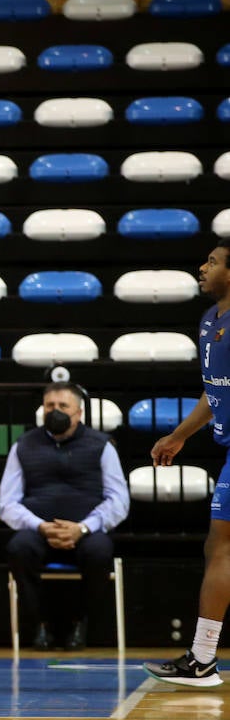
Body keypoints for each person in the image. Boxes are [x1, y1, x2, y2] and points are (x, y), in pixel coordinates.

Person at [146, 239, 230, 687]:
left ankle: (202, 659)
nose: (203, 267)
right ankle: (202, 659)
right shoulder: (209, 321)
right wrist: (179, 435)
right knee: (220, 546)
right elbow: (216, 390)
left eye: (213, 262)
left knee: (222, 547)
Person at [0, 381, 129, 651]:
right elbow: (7, 503)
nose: (55, 411)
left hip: (86, 532)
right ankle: (39, 626)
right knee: (19, 548)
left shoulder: (102, 445)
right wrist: (42, 527)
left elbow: (118, 500)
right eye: (50, 406)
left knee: (100, 552)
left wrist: (82, 528)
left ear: (78, 413)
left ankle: (80, 623)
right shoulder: (23, 445)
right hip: (38, 532)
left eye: (62, 406)